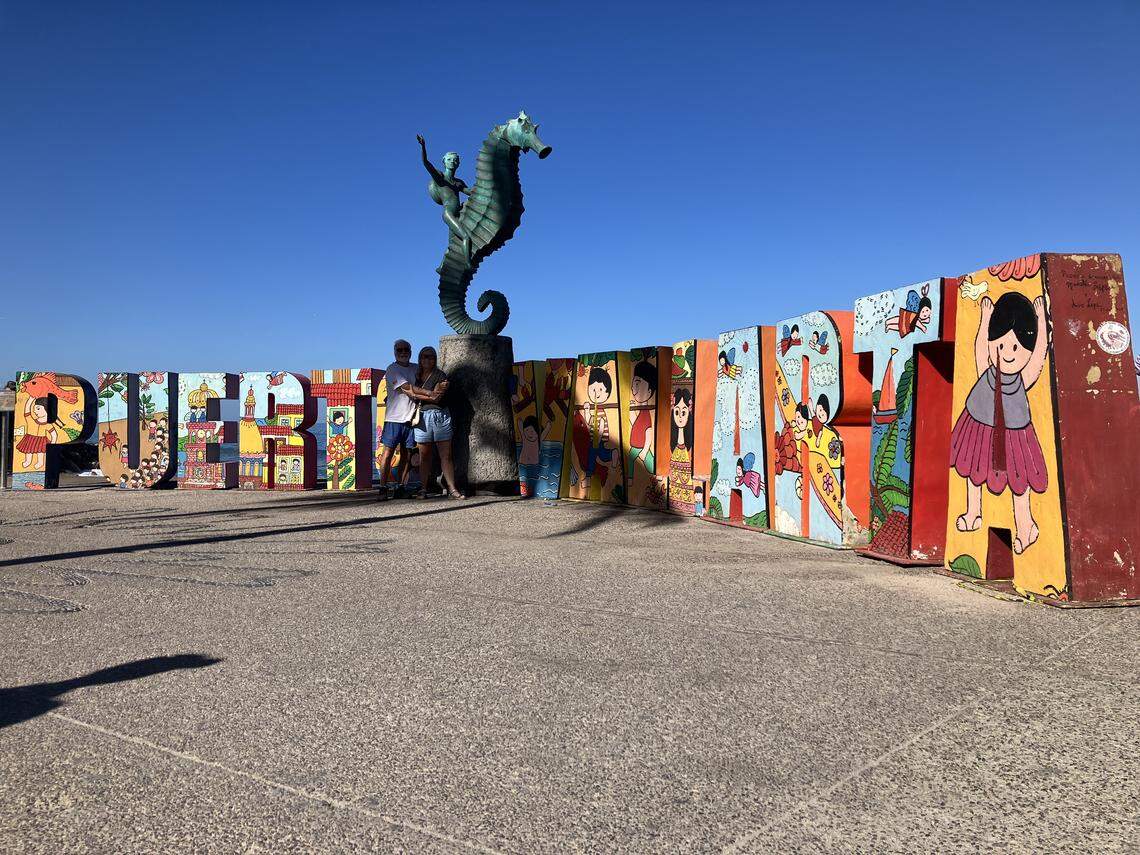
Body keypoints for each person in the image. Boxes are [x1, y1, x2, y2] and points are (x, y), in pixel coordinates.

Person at [950, 292, 1049, 554]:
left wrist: (1040, 319)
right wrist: (984, 318)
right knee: (973, 469)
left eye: (1015, 347)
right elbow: (981, 349)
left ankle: (1026, 525)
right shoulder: (988, 369)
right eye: (1002, 345)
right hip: (978, 423)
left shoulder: (1020, 378)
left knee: (1019, 479)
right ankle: (973, 513)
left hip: (1014, 432)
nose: (1007, 353)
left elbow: (1038, 360)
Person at [400, 346, 463, 499]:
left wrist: (416, 392)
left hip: (440, 415)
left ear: (435, 359)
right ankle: (423, 488)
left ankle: (452, 488)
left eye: (431, 357)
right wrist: (427, 393)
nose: (427, 360)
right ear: (420, 359)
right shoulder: (416, 376)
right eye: (424, 357)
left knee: (445, 455)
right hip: (422, 416)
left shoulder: (440, 375)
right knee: (424, 456)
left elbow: (437, 397)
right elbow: (408, 391)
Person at [377, 339, 419, 499]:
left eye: (406, 349)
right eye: (399, 350)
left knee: (407, 455)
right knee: (387, 453)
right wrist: (430, 394)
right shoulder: (392, 369)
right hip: (394, 419)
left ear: (410, 351)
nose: (403, 352)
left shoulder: (416, 368)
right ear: (395, 352)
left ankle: (401, 486)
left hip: (411, 420)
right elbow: (407, 389)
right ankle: (382, 487)